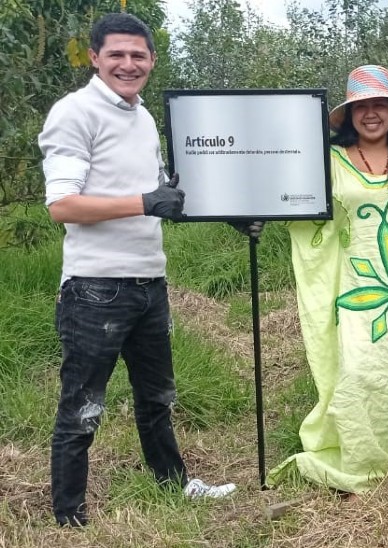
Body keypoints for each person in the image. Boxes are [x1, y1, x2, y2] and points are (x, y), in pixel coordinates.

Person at [38, 13, 235, 527]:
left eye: (138, 55)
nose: (128, 64)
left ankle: (174, 483)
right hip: (94, 286)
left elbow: (160, 194)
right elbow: (62, 204)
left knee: (157, 397)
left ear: (151, 59)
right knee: (82, 406)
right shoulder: (74, 112)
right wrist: (145, 202)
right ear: (94, 57)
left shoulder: (143, 117)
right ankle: (69, 516)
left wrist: (233, 209)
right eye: (117, 55)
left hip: (149, 280)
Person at [266, 65, 388, 492]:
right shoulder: (329, 162)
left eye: (379, 105)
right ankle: (369, 452)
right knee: (362, 368)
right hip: (360, 287)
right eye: (361, 107)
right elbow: (308, 218)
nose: (371, 113)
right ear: (350, 115)